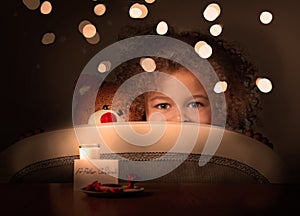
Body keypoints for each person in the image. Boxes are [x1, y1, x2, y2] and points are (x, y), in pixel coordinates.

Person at [104, 24, 273, 148]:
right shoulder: (132, 152)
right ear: (142, 111)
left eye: (195, 104)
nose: (180, 119)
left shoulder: (231, 150)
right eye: (163, 105)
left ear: (220, 106)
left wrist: (253, 153)